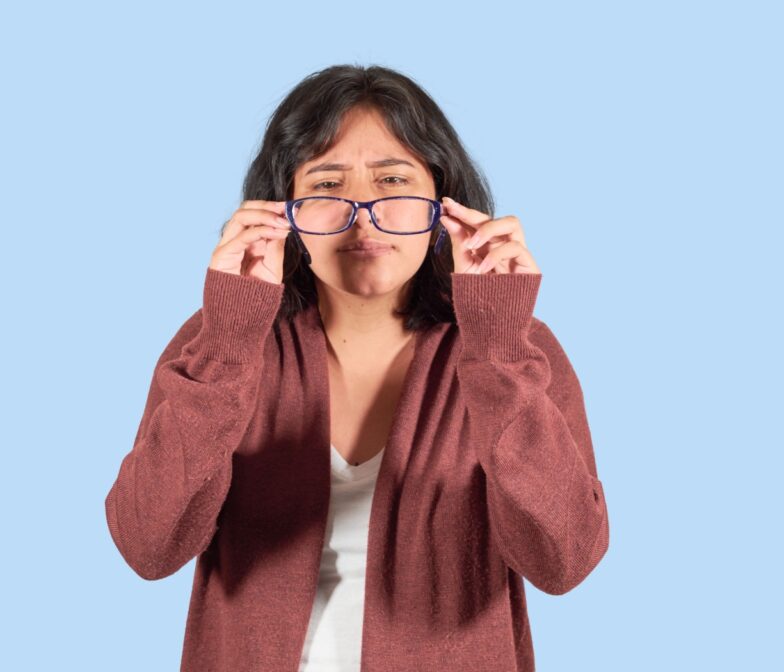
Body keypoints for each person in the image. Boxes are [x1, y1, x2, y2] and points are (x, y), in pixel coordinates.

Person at [104, 64, 609, 672]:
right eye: (326, 185)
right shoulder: (220, 342)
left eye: (394, 181)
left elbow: (565, 560)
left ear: (444, 201)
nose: (364, 214)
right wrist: (229, 345)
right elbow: (148, 545)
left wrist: (497, 351)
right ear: (281, 209)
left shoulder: (516, 348)